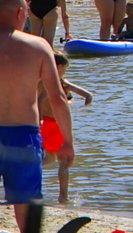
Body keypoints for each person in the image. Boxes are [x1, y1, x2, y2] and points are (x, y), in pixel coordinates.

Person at [0, 0, 74, 232]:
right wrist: (68, 141)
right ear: (20, 13)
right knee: (28, 206)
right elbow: (58, 98)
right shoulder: (39, 46)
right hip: (24, 137)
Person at [38, 52, 92, 204]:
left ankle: (26, 175)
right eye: (65, 69)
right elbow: (88, 95)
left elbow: (88, 95)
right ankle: (63, 196)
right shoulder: (56, 82)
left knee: (48, 158)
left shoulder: (47, 80)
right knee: (64, 160)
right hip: (55, 124)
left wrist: (39, 119)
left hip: (45, 124)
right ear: (59, 67)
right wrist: (82, 106)